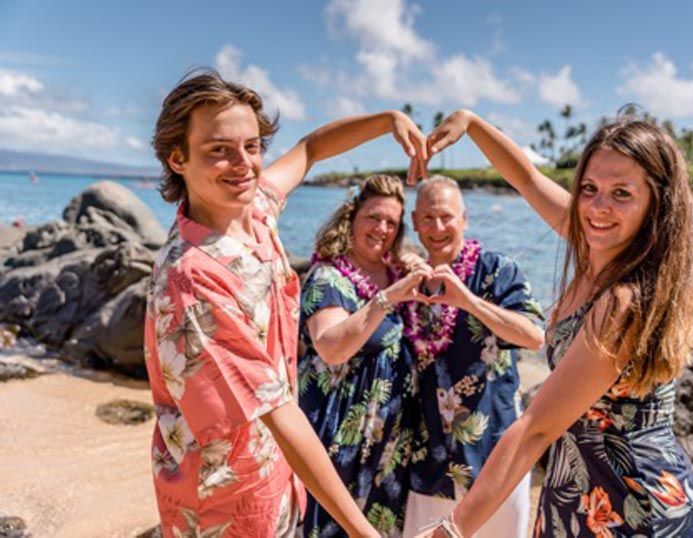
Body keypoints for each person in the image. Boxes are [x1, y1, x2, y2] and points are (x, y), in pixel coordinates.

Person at [143, 69, 428, 537]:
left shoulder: (254, 210)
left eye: (252, 146)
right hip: (222, 504)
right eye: (219, 150)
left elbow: (311, 149)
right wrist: (363, 531)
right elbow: (277, 410)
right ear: (178, 158)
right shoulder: (191, 277)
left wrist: (388, 120)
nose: (243, 164)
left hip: (277, 479)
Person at [420, 110, 693, 537]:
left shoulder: (624, 301)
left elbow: (536, 429)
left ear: (656, 204)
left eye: (621, 193)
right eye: (589, 188)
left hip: (638, 512)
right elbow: (528, 179)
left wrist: (452, 530)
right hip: (585, 496)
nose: (598, 207)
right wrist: (472, 125)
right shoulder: (597, 245)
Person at [401, 176, 546, 537]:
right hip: (428, 461)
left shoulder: (496, 270)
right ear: (415, 222)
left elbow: (533, 337)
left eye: (447, 217)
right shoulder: (407, 282)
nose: (438, 227)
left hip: (495, 459)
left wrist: (469, 301)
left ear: (464, 219)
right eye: (428, 218)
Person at [299, 174, 429, 537]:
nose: (382, 229)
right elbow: (331, 347)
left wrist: (412, 263)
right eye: (373, 217)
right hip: (339, 430)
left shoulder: (398, 271)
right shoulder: (328, 277)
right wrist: (386, 299)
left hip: (390, 440)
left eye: (392, 222)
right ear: (351, 216)